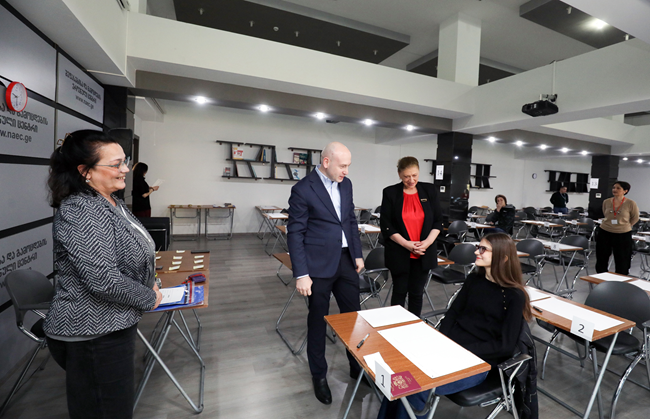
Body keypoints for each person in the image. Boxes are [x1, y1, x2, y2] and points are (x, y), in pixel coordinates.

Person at [44, 130, 163, 419]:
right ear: (85, 171)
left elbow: (133, 254)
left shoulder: (111, 202)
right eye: (116, 164)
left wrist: (152, 282)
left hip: (113, 324)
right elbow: (104, 280)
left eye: (125, 161)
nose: (125, 169)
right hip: (93, 332)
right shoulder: (81, 210)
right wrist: (149, 297)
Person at [377, 233, 531, 419]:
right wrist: (443, 341)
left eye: (483, 249)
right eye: (478, 247)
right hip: (448, 351)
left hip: (477, 362)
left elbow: (504, 346)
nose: (476, 252)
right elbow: (453, 313)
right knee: (399, 376)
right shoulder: (474, 280)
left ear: (503, 258)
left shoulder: (514, 296)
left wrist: (461, 351)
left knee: (416, 387)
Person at [286, 142, 365, 405]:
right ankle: (319, 375)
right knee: (318, 321)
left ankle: (356, 367)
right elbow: (295, 233)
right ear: (326, 162)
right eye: (343, 166)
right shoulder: (302, 189)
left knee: (354, 318)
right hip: (317, 266)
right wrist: (301, 273)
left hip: (346, 262)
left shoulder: (346, 184)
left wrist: (357, 254)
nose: (346, 171)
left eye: (348, 166)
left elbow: (350, 220)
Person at [380, 156, 443, 316]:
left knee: (417, 293)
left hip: (423, 252)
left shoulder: (429, 190)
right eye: (406, 176)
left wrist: (427, 242)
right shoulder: (390, 192)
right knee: (399, 291)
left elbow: (438, 221)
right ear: (399, 174)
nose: (411, 180)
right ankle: (396, 324)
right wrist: (406, 244)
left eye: (414, 175)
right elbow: (387, 225)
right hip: (399, 251)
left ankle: (414, 325)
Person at [595, 181, 639, 275]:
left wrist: (625, 225)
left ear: (625, 191)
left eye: (618, 188)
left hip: (623, 233)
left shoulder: (631, 203)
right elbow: (605, 214)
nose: (615, 190)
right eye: (614, 188)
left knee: (622, 258)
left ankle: (620, 278)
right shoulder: (606, 202)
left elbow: (635, 217)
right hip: (605, 231)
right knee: (602, 256)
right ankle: (601, 276)